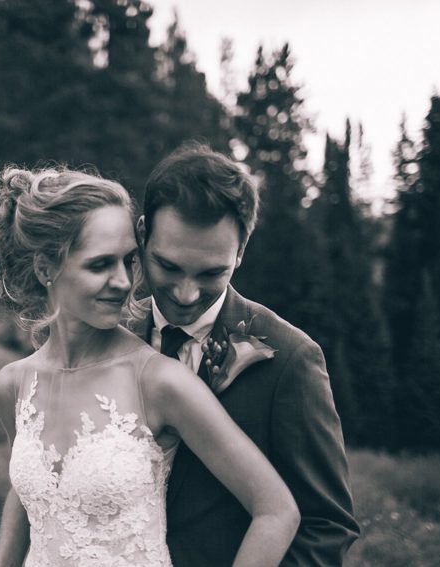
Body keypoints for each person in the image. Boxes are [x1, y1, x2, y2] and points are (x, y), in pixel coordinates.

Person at [0, 165, 299, 567]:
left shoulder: (160, 380)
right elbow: (27, 493)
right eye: (100, 265)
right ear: (46, 268)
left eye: (129, 261)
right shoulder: (12, 383)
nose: (123, 281)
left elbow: (276, 510)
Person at [127, 142, 360, 566]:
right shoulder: (112, 336)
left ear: (241, 253)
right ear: (142, 235)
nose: (186, 293)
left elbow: (326, 527)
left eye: (212, 272)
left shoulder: (290, 359)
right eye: (169, 266)